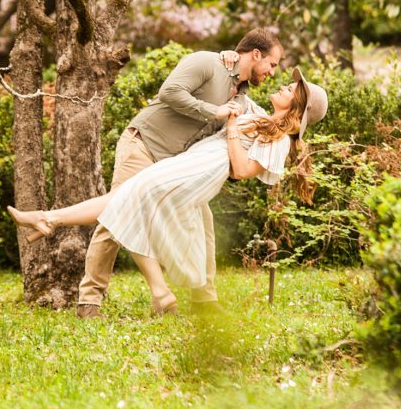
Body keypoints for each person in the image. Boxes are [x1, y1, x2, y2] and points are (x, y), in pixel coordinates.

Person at [7, 68, 328, 317]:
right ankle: (48, 220)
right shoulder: (260, 116)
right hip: (193, 160)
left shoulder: (281, 141)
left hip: (204, 168)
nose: (284, 85)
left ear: (296, 108)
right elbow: (237, 89)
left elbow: (242, 171)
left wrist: (231, 130)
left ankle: (50, 221)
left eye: (291, 89)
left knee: (133, 196)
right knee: (129, 195)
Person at [77, 28, 284, 318]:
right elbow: (170, 92)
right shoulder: (207, 62)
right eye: (272, 64)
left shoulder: (242, 98)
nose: (273, 72)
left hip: (175, 167)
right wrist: (213, 111)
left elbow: (267, 124)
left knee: (204, 224)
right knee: (117, 213)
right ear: (256, 54)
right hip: (144, 144)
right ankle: (89, 300)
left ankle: (204, 300)